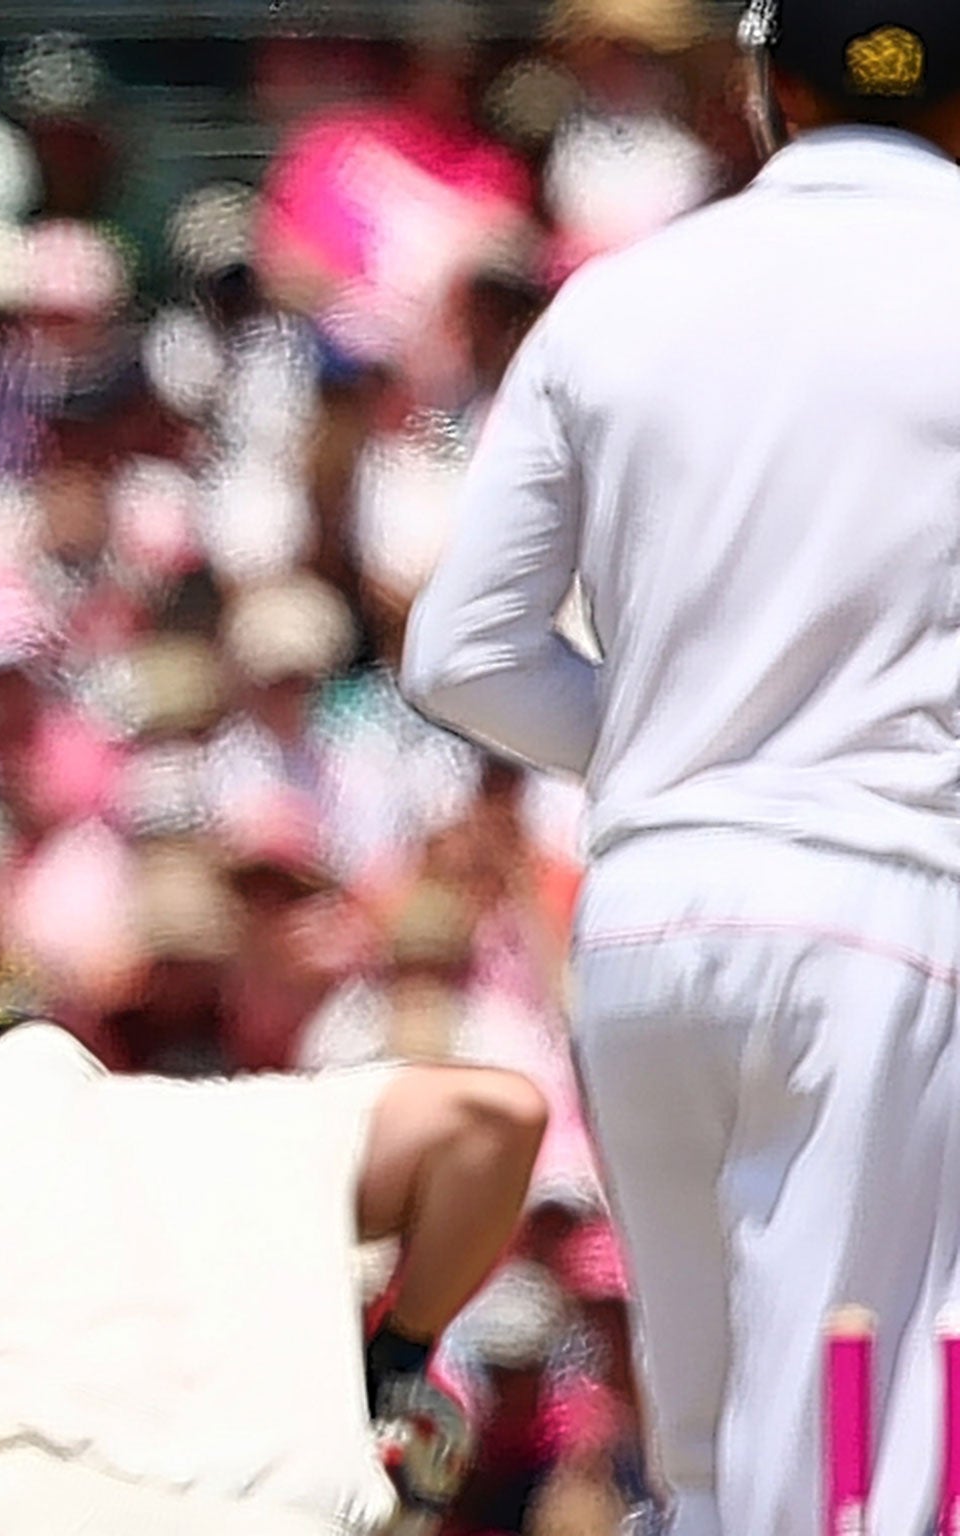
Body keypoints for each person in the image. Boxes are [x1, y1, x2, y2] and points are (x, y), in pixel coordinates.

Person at [401, 3, 960, 1532]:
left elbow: (459, 656)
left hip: (654, 914)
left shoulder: (622, 296)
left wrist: (683, 754)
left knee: (706, 1441)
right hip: (887, 901)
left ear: (768, 87)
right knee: (860, 1426)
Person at [0, 1007, 547, 1536]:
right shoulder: (245, 1117)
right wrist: (398, 1354)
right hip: (295, 1521)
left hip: (9, 1515)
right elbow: (497, 1114)